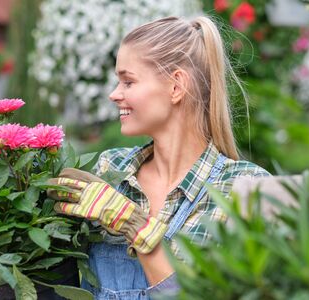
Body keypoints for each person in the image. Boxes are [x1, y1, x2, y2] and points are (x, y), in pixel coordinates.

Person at [47, 16, 270, 300]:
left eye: (128, 81)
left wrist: (135, 226)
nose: (114, 94)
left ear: (176, 86)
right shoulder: (111, 170)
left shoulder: (244, 190)